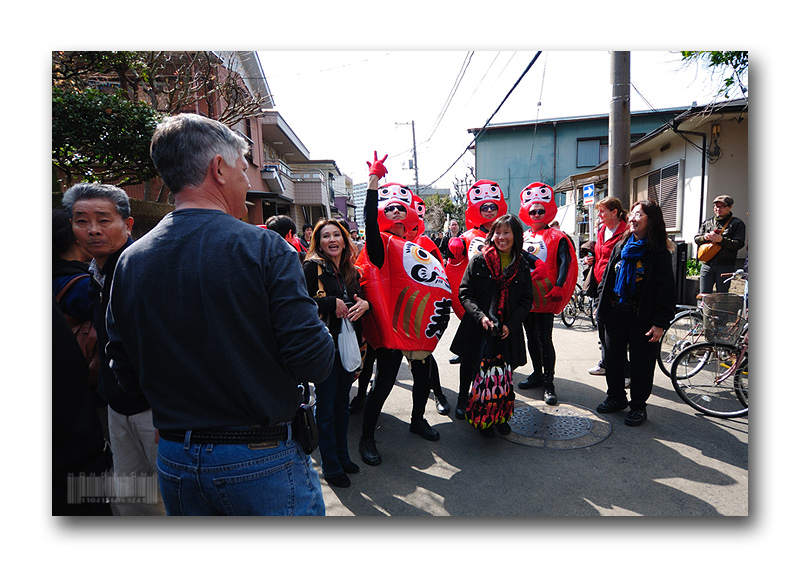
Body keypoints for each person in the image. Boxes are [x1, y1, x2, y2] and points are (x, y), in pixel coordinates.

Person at [105, 113, 334, 515]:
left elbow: (123, 369)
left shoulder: (130, 261)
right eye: (244, 170)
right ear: (218, 168)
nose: (248, 182)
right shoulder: (265, 248)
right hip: (259, 457)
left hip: (176, 457)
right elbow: (313, 359)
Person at [61, 182, 164, 516]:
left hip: (156, 413)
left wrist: (168, 408)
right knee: (134, 501)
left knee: (166, 501)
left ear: (128, 224)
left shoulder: (146, 269)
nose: (92, 230)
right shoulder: (95, 274)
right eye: (81, 221)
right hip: (117, 409)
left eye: (103, 220)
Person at [355, 153, 452, 466]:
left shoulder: (419, 246)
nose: (396, 212)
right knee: (382, 384)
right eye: (390, 208)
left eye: (401, 208)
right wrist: (373, 180)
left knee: (422, 378)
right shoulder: (378, 246)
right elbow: (369, 219)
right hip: (389, 330)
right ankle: (367, 437)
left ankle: (417, 419)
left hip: (418, 327)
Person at [450, 214, 534, 437]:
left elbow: (527, 300)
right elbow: (465, 293)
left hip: (506, 330)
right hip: (478, 325)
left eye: (507, 232)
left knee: (503, 372)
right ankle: (463, 399)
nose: (501, 237)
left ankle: (499, 413)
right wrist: (480, 316)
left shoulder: (521, 265)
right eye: (498, 232)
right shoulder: (479, 260)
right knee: (470, 364)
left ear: (516, 236)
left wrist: (511, 324)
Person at [302, 219, 370, 488]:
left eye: (336, 235)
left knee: (342, 405)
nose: (332, 240)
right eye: (325, 236)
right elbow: (298, 302)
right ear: (318, 242)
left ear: (344, 239)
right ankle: (330, 465)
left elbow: (361, 300)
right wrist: (330, 302)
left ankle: (343, 456)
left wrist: (366, 304)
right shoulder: (311, 267)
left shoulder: (350, 270)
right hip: (324, 347)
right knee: (327, 409)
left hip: (349, 345)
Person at [595, 200, 676, 426]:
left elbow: (666, 291)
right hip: (615, 313)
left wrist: (660, 322)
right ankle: (616, 397)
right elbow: (608, 278)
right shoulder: (622, 245)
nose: (632, 218)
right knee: (612, 358)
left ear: (651, 219)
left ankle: (638, 406)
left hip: (643, 317)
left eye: (638, 214)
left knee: (641, 364)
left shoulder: (658, 252)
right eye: (631, 214)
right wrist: (600, 307)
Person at [517, 182, 578, 406]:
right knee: (531, 337)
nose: (536, 215)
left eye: (540, 211)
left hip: (547, 294)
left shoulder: (557, 235)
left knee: (545, 338)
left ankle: (549, 381)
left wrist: (560, 285)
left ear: (548, 211)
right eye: (532, 211)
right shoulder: (522, 236)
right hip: (526, 295)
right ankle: (536, 373)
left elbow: (565, 261)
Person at [409, 193, 451, 416]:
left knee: (424, 357)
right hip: (393, 314)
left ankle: (438, 393)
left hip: (423, 310)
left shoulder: (424, 243)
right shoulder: (385, 242)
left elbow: (441, 276)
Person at [585, 196, 628, 376]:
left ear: (614, 212)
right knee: (601, 329)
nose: (599, 215)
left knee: (617, 334)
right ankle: (604, 363)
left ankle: (625, 371)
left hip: (615, 289)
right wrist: (591, 259)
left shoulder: (626, 232)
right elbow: (601, 254)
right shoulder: (602, 230)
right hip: (599, 285)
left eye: (602, 211)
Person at [694, 194, 746, 293]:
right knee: (704, 295)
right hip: (707, 264)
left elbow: (739, 244)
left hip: (725, 265)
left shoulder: (737, 223)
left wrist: (721, 240)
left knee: (721, 296)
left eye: (722, 206)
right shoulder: (708, 222)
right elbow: (696, 239)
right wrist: (704, 237)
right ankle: (703, 309)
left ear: (730, 207)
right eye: (716, 206)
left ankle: (718, 309)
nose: (718, 209)